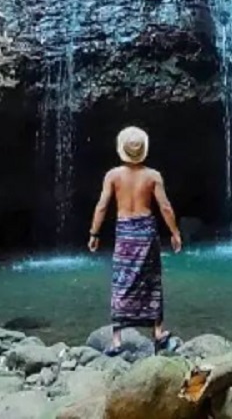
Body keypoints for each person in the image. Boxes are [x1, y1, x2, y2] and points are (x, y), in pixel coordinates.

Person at [88, 126, 183, 356]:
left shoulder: (113, 175)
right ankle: (158, 333)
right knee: (151, 280)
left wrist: (94, 233)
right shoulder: (152, 176)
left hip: (125, 232)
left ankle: (117, 339)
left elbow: (102, 205)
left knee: (122, 280)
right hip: (145, 232)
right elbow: (165, 207)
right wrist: (175, 232)